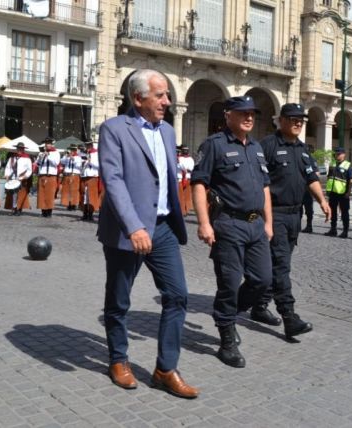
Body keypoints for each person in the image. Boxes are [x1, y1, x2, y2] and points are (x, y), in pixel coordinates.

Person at [98, 69, 198, 398]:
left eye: (168, 95)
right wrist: (134, 226)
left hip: (165, 227)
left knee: (177, 296)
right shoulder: (114, 129)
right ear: (138, 98)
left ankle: (165, 369)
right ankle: (118, 359)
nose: (167, 102)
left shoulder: (168, 132)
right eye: (160, 96)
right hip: (129, 231)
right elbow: (113, 181)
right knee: (119, 299)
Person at [191, 95, 273, 368]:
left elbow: (264, 188)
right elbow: (199, 184)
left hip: (255, 224)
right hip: (228, 224)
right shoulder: (215, 145)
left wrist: (268, 222)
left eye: (252, 113)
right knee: (228, 282)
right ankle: (226, 339)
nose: (249, 117)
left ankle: (226, 314)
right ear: (228, 115)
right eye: (243, 113)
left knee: (262, 280)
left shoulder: (257, 148)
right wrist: (204, 223)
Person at [248, 103, 330, 335]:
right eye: (293, 118)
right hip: (276, 214)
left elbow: (311, 176)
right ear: (280, 120)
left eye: (301, 120)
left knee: (279, 264)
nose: (298, 123)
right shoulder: (268, 146)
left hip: (296, 216)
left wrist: (322, 200)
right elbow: (257, 181)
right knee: (281, 265)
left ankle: (258, 305)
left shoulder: (303, 149)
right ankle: (289, 316)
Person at [324, 147, 352, 238]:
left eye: (339, 154)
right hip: (333, 193)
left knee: (344, 212)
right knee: (332, 212)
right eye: (336, 153)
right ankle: (333, 229)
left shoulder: (347, 165)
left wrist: (348, 192)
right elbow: (329, 178)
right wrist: (327, 191)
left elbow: (351, 180)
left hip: (342, 193)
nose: (337, 155)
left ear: (344, 154)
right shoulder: (332, 164)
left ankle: (345, 231)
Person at [3, 142, 32, 215]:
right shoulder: (12, 158)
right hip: (12, 178)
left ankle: (19, 209)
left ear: (23, 149)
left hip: (21, 178)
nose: (19, 149)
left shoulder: (27, 158)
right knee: (12, 195)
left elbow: (29, 170)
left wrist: (25, 177)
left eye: (21, 148)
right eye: (18, 148)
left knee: (20, 195)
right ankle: (14, 209)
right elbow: (8, 167)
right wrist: (6, 175)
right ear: (16, 148)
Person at [35, 137, 60, 218]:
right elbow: (38, 164)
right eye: (45, 143)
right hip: (42, 175)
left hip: (51, 176)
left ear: (51, 144)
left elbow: (56, 163)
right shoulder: (41, 153)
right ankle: (43, 212)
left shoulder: (56, 153)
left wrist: (48, 156)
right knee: (42, 194)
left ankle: (49, 212)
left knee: (50, 194)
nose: (46, 145)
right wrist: (40, 157)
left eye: (48, 143)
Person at [80, 140, 100, 221]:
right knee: (84, 196)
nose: (87, 147)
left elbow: (98, 165)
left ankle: (90, 214)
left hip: (92, 176)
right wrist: (82, 162)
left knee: (91, 196)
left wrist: (89, 161)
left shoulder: (96, 154)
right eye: (86, 145)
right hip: (84, 175)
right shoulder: (85, 153)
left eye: (88, 145)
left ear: (91, 145)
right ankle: (84, 213)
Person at [60, 144, 82, 211]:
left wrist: (72, 157)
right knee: (67, 190)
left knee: (74, 190)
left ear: (75, 150)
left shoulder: (78, 157)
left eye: (72, 150)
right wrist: (66, 156)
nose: (71, 151)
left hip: (74, 174)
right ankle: (68, 204)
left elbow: (78, 165)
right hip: (67, 174)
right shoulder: (67, 156)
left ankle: (74, 204)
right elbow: (61, 161)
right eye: (70, 150)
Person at [179, 146, 194, 215]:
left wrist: (185, 169)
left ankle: (187, 209)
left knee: (187, 195)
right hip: (179, 178)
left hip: (187, 178)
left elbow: (190, 168)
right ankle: (182, 210)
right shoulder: (179, 158)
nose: (185, 152)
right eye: (183, 150)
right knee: (180, 195)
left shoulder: (190, 159)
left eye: (186, 150)